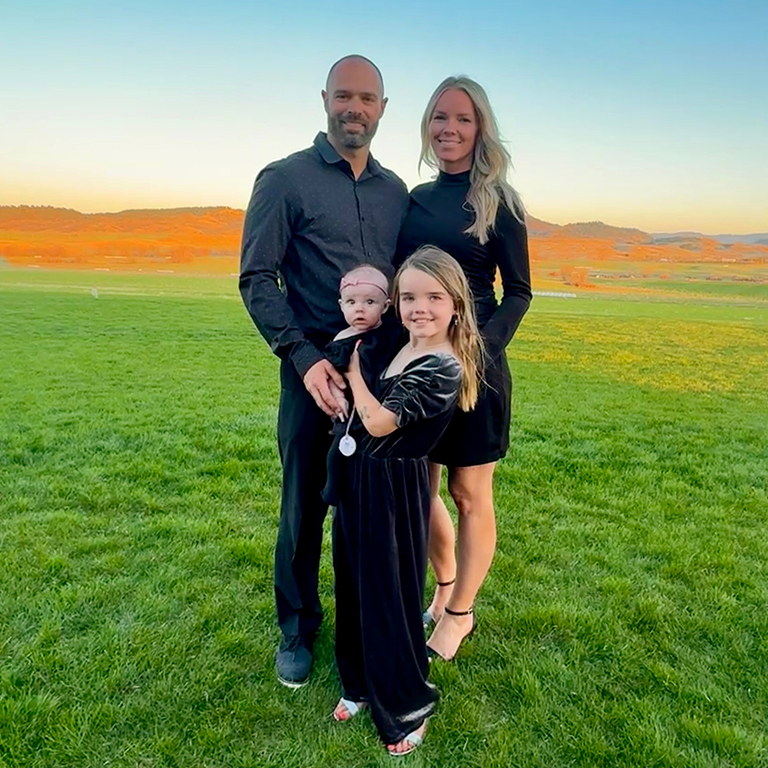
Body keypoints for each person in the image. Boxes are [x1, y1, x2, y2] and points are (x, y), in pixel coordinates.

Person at [239, 55, 408, 688]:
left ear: (383, 108)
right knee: (305, 503)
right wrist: (303, 359)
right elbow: (256, 278)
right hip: (312, 369)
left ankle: (371, 625)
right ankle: (297, 626)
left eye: (367, 98)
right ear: (324, 99)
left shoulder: (397, 193)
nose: (354, 108)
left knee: (375, 507)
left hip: (383, 376)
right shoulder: (284, 179)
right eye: (343, 96)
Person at [397, 76, 532, 662]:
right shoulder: (414, 199)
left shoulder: (500, 200)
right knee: (420, 487)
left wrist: (477, 347)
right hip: (417, 367)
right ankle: (445, 586)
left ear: (481, 129)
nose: (449, 129)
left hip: (478, 370)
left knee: (469, 493)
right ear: (427, 126)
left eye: (463, 119)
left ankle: (459, 615)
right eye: (439, 118)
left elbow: (520, 293)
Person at [331, 246, 482, 756]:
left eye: (434, 298)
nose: (420, 308)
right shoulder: (400, 343)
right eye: (409, 297)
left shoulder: (444, 367)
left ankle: (408, 703)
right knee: (352, 585)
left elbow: (376, 422)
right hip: (359, 478)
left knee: (390, 598)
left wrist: (352, 373)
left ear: (456, 305)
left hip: (394, 490)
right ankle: (359, 685)